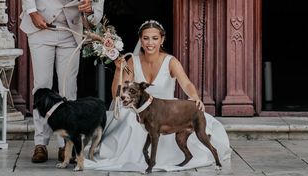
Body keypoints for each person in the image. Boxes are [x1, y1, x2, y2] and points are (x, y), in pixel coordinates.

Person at [17, 0, 121, 164]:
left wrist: (90, 10)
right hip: (41, 28)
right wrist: (33, 12)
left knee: (68, 88)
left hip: (70, 33)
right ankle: (40, 143)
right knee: (42, 86)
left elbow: (96, 15)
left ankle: (67, 146)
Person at [85, 20, 231, 172]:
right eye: (146, 38)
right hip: (140, 110)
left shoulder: (171, 62)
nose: (150, 43)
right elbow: (117, 94)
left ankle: (166, 158)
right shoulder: (132, 61)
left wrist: (194, 96)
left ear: (162, 39)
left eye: (155, 38)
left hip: (166, 111)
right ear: (140, 40)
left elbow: (186, 83)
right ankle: (132, 158)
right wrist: (118, 71)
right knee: (131, 120)